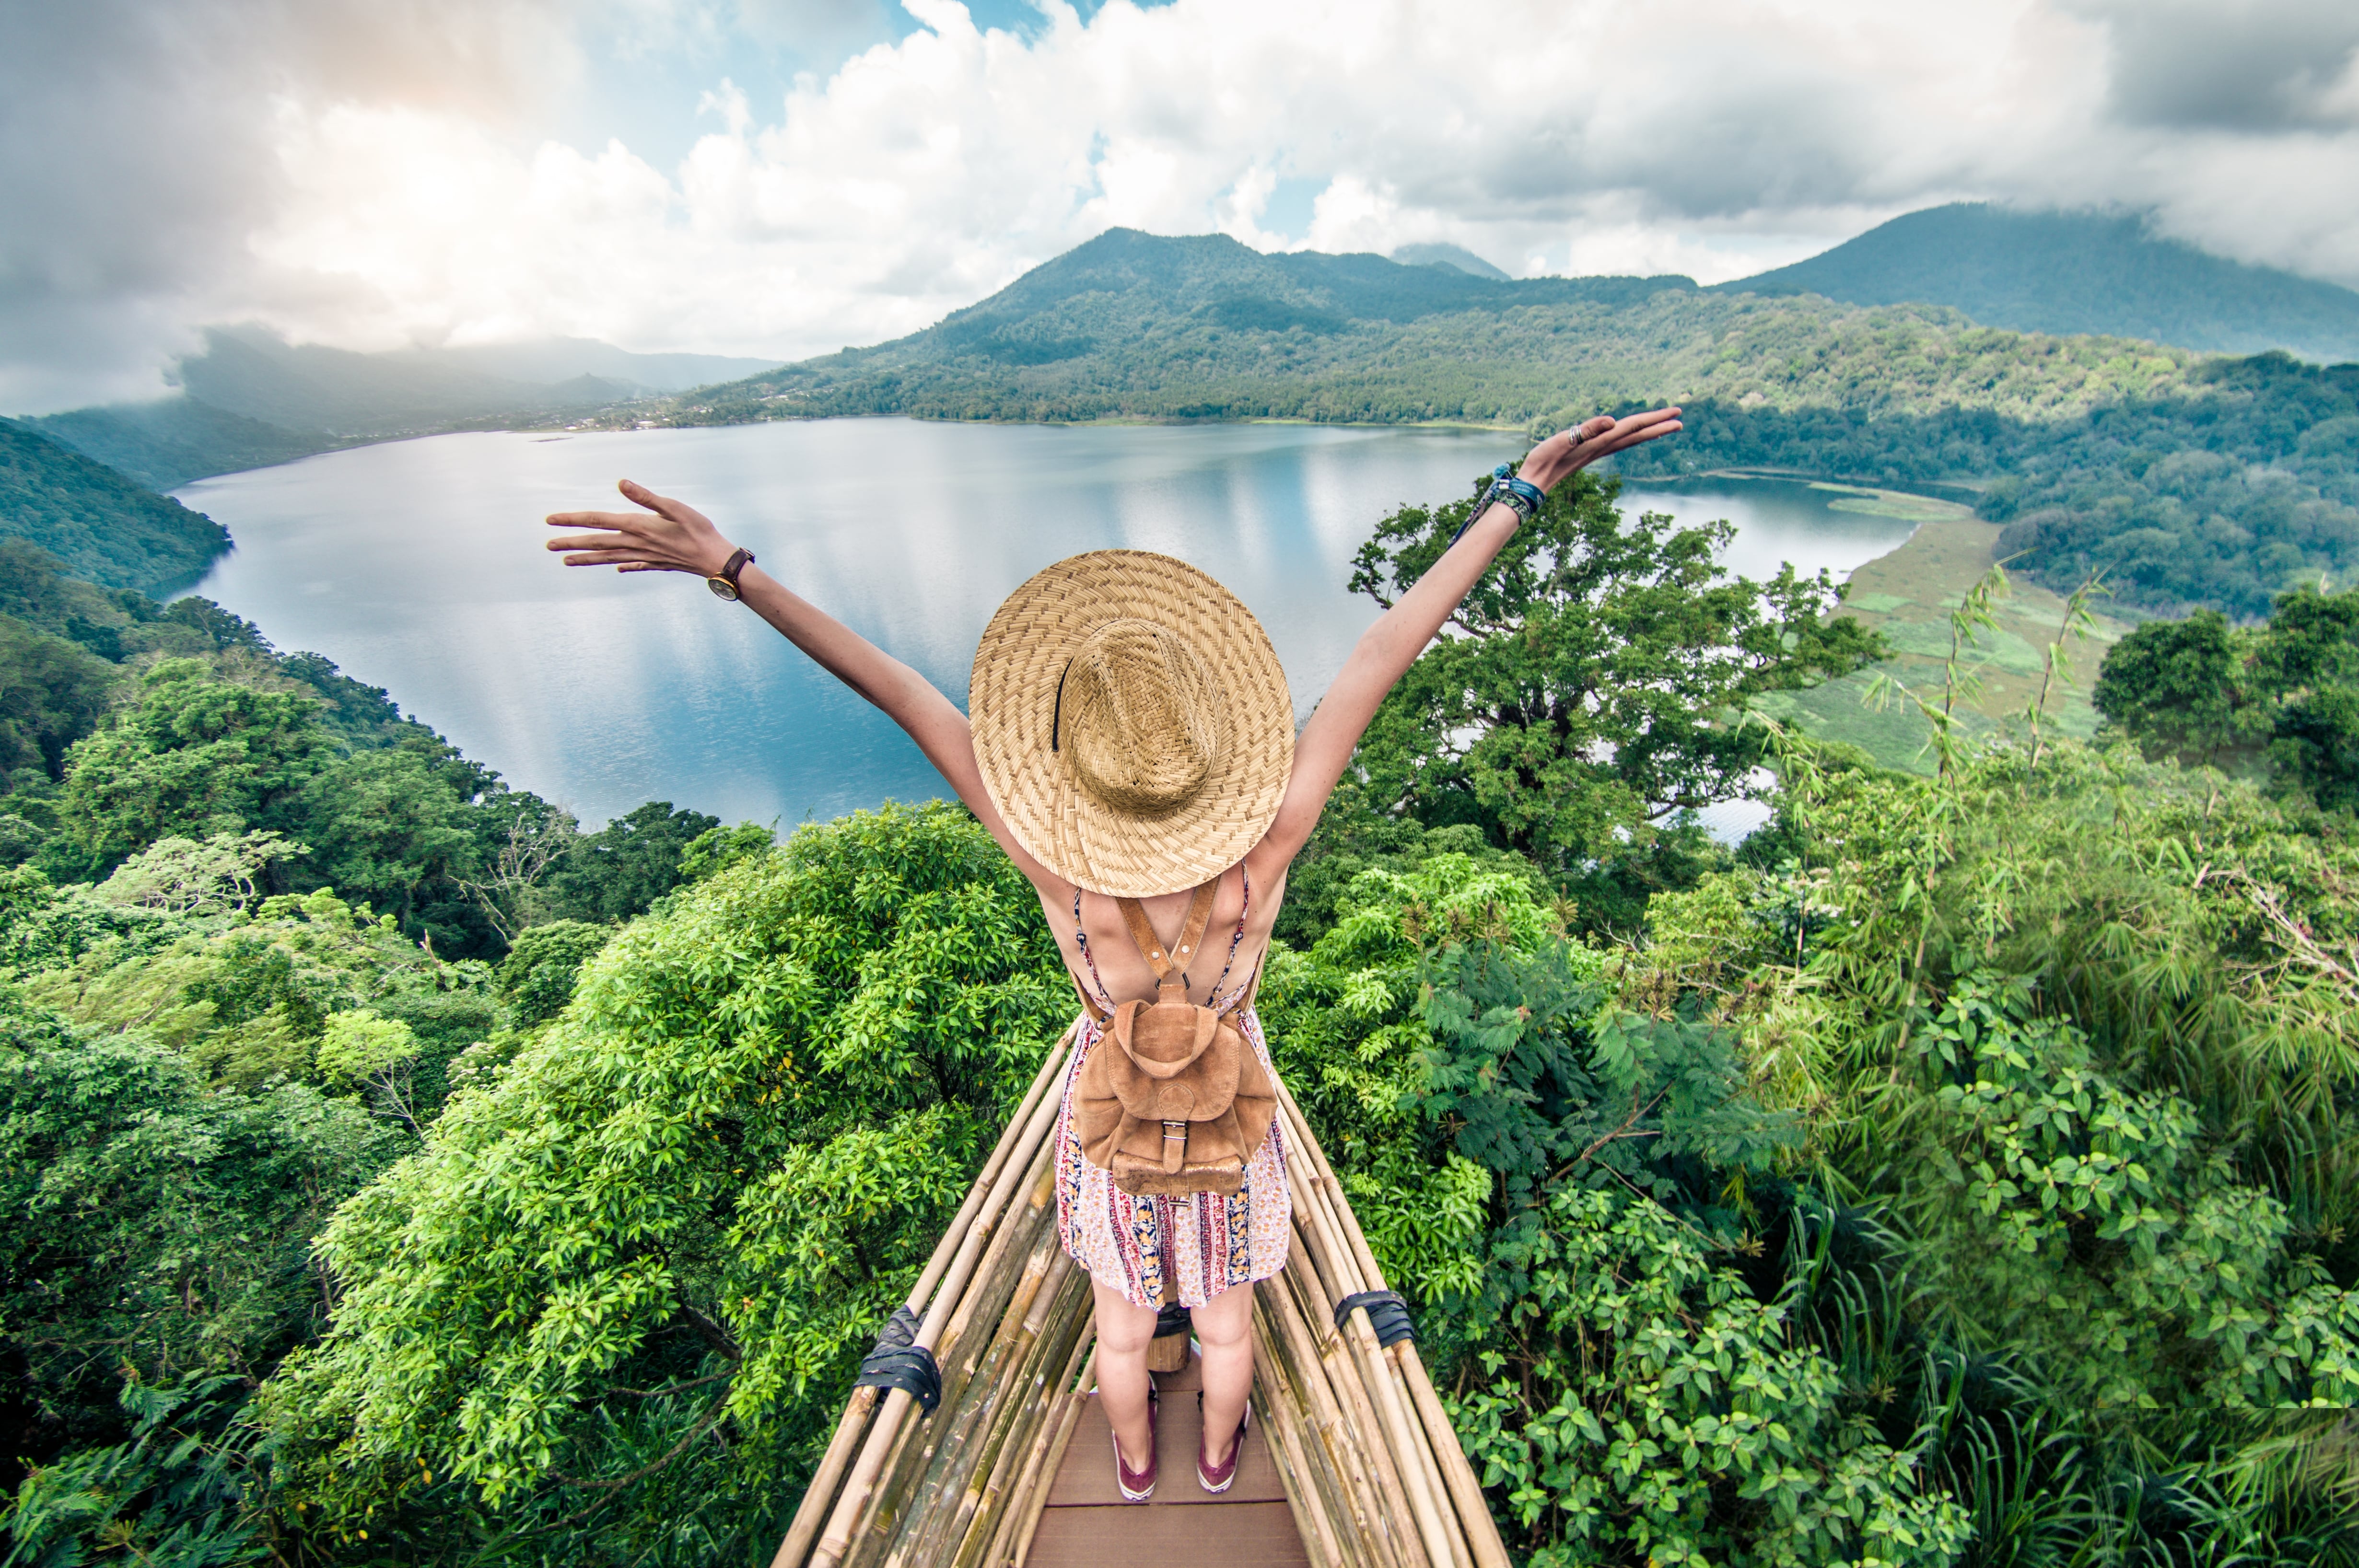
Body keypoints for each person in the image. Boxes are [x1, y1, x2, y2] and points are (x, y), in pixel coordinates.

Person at [545, 406, 1682, 1502]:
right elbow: (1388, 650)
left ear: (1079, 770)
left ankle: (1137, 1472)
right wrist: (1516, 497)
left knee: (1123, 1326)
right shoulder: (1268, 845)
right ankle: (1222, 1464)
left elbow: (900, 691)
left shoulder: (1064, 873)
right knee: (1229, 1321)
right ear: (1207, 750)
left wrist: (735, 569)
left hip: (1109, 1130)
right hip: (1237, 1118)